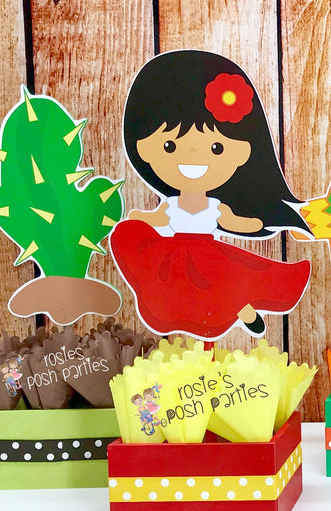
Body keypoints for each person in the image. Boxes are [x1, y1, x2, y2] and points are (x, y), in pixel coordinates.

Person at [111, 50, 311, 340]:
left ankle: (246, 313)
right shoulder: (172, 206)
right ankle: (205, 317)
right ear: (144, 148)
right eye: (169, 146)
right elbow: (156, 218)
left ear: (242, 152)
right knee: (186, 293)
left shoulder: (215, 207)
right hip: (175, 258)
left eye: (216, 148)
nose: (193, 158)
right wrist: (140, 218)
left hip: (211, 257)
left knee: (226, 288)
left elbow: (232, 222)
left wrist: (254, 224)